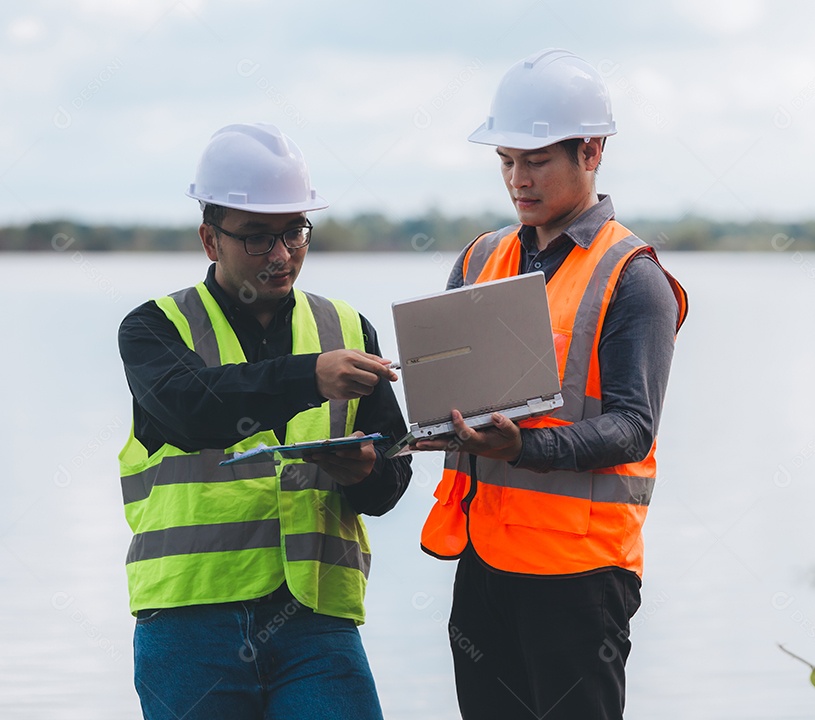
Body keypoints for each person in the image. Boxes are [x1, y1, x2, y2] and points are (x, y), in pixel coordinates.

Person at [415, 49, 689, 720]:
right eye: (506, 160)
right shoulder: (481, 257)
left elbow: (632, 427)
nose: (517, 179)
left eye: (535, 161)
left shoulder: (633, 276)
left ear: (591, 151)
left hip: (582, 577)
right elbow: (451, 395)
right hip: (483, 564)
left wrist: (523, 448)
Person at [117, 122, 411, 720]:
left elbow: (391, 481)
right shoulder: (153, 328)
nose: (280, 256)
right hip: (188, 626)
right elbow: (193, 409)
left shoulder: (348, 329)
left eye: (294, 233)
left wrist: (364, 472)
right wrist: (310, 378)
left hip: (318, 625)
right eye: (256, 238)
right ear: (209, 239)